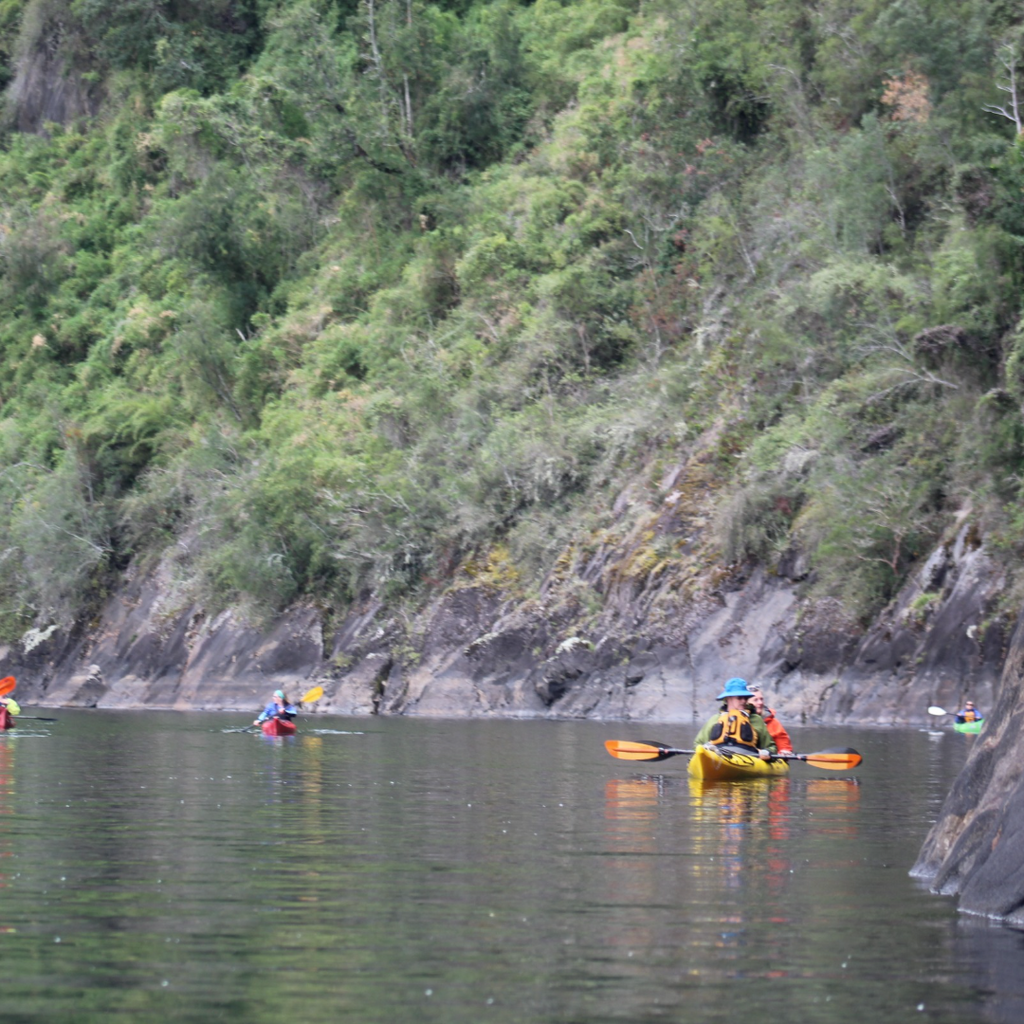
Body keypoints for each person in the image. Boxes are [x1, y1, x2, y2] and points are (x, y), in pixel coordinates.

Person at [693, 677, 777, 759]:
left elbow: (771, 747)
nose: (743, 701)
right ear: (728, 698)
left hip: (749, 757)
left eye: (745, 697)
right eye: (739, 698)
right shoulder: (715, 719)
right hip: (719, 756)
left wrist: (767, 752)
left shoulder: (756, 720)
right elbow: (698, 744)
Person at [748, 685, 793, 755]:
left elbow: (783, 744)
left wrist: (784, 751)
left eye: (761, 699)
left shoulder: (773, 723)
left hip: (768, 759)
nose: (760, 702)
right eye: (755, 700)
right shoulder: (741, 719)